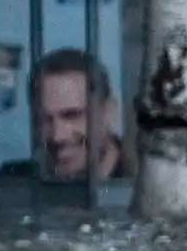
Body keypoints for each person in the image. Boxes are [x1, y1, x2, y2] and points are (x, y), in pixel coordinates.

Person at [29, 48, 124, 182]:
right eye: (43, 119)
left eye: (72, 115)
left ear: (109, 112)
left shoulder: (148, 180)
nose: (58, 136)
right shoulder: (12, 185)